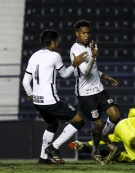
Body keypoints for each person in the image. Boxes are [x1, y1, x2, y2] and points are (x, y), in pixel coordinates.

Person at [22, 29, 94, 164]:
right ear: (53, 42)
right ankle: (53, 148)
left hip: (38, 102)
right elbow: (65, 74)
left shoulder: (34, 56)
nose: (58, 44)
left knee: (52, 123)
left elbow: (25, 82)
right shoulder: (55, 56)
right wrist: (75, 64)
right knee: (79, 121)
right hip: (51, 101)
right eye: (57, 41)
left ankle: (43, 158)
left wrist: (32, 96)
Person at [70, 19, 121, 164]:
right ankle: (95, 151)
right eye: (83, 33)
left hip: (99, 89)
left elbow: (93, 69)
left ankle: (104, 136)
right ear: (77, 33)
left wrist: (105, 76)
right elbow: (85, 72)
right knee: (98, 124)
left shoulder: (91, 45)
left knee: (115, 115)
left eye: (88, 32)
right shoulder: (75, 50)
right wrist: (93, 56)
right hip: (86, 94)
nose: (86, 35)